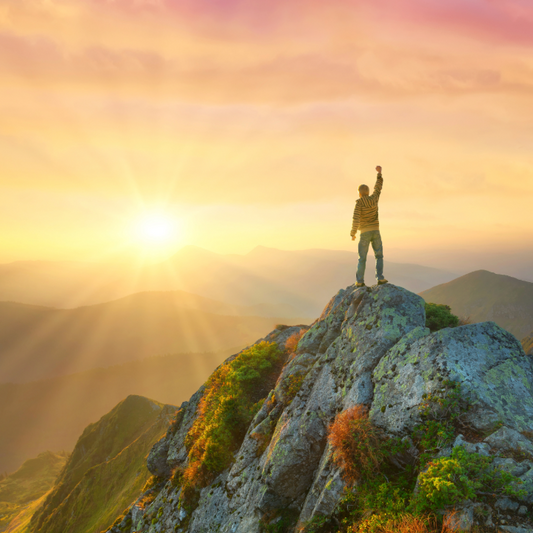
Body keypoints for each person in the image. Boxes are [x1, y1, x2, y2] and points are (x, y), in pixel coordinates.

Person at [350, 165, 388, 288]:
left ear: (360, 193)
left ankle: (360, 281)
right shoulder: (374, 199)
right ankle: (380, 278)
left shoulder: (359, 203)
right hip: (376, 231)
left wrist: (353, 232)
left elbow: (356, 218)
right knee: (379, 256)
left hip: (364, 233)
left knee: (362, 258)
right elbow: (378, 187)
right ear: (368, 192)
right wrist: (379, 174)